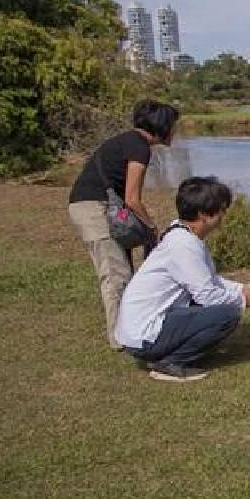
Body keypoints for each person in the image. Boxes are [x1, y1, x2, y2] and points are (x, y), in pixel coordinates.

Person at [114, 177, 250, 382]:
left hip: (142, 329)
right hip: (144, 335)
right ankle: (170, 364)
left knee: (218, 306)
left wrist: (240, 289)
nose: (223, 215)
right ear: (203, 214)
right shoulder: (184, 245)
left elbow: (207, 280)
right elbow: (207, 294)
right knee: (227, 314)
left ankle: (169, 354)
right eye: (221, 209)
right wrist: (242, 300)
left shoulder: (181, 234)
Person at [67, 100, 180, 350]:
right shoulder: (139, 147)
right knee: (116, 275)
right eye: (173, 125)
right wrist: (152, 228)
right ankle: (120, 339)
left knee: (123, 270)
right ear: (161, 125)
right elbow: (132, 199)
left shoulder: (130, 141)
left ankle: (129, 329)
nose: (174, 131)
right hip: (94, 208)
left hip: (95, 206)